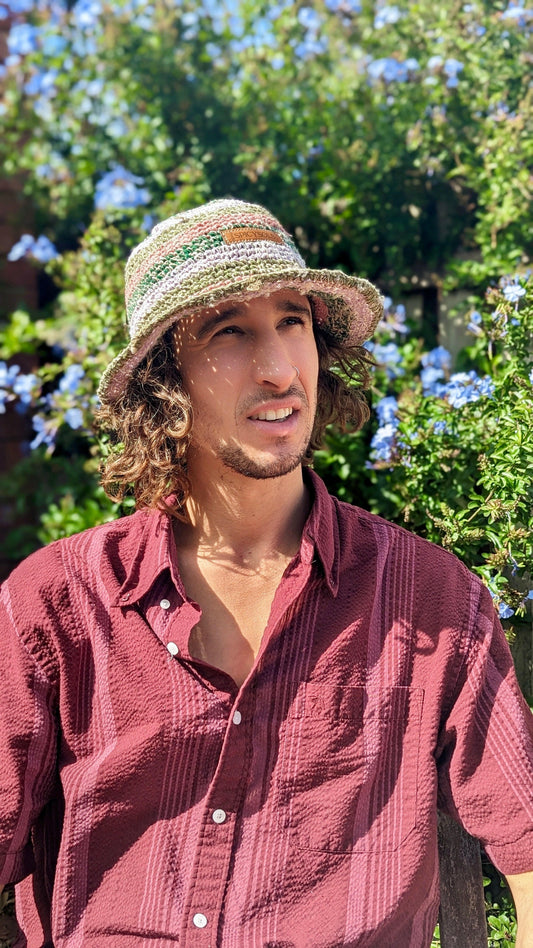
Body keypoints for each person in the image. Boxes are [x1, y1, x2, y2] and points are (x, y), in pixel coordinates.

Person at [1, 198, 532, 948]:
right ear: (165, 380)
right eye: (230, 332)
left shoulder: (430, 600)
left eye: (292, 322)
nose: (280, 368)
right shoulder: (55, 608)